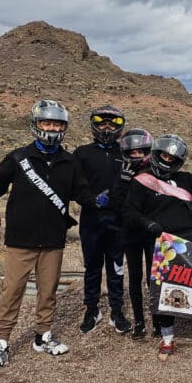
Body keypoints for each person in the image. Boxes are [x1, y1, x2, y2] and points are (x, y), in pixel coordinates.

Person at [0, 100, 86, 367]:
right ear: (36, 125)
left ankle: (43, 335)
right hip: (20, 239)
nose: (51, 128)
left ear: (64, 127)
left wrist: (100, 200)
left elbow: (81, 192)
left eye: (57, 123)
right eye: (46, 123)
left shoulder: (69, 162)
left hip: (53, 239)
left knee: (48, 291)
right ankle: (2, 341)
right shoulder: (18, 157)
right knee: (12, 289)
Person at [121, 134, 192, 357]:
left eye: (172, 157)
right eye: (164, 155)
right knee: (163, 286)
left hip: (189, 238)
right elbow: (129, 211)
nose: (167, 160)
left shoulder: (186, 179)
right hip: (161, 241)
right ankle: (167, 336)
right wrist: (147, 223)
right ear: (156, 155)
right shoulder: (141, 182)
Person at [73, 105, 131, 334]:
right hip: (91, 220)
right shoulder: (82, 153)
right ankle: (92, 309)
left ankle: (116, 311)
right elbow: (75, 186)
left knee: (117, 267)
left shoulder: (125, 153)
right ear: (93, 124)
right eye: (101, 122)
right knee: (92, 267)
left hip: (118, 221)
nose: (106, 127)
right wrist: (91, 201)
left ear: (120, 127)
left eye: (113, 123)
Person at [110, 128, 157, 339]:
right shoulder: (122, 172)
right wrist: (122, 181)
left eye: (141, 151)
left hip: (151, 232)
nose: (136, 155)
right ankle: (139, 322)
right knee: (135, 278)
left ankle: (158, 321)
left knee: (152, 278)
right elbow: (117, 203)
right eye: (132, 152)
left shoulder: (155, 171)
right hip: (130, 232)